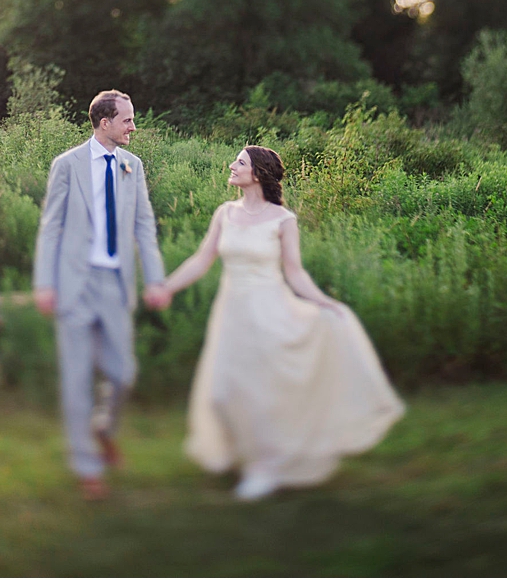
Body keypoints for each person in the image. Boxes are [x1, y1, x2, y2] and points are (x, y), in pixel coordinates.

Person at [147, 145, 404, 501]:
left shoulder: (283, 221)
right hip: (232, 312)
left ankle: (265, 467)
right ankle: (247, 452)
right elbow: (202, 259)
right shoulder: (225, 213)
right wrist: (166, 287)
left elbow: (295, 274)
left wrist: (324, 302)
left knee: (261, 392)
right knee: (222, 392)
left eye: (240, 162)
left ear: (258, 174)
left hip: (270, 311)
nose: (232, 166)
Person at [32, 90, 171, 501]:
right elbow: (51, 227)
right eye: (127, 120)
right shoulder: (67, 165)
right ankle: (87, 467)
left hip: (115, 284)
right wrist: (45, 282)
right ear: (104, 123)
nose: (133, 126)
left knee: (123, 372)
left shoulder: (134, 166)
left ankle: (104, 429)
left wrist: (156, 279)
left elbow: (144, 225)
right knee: (76, 380)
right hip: (74, 284)